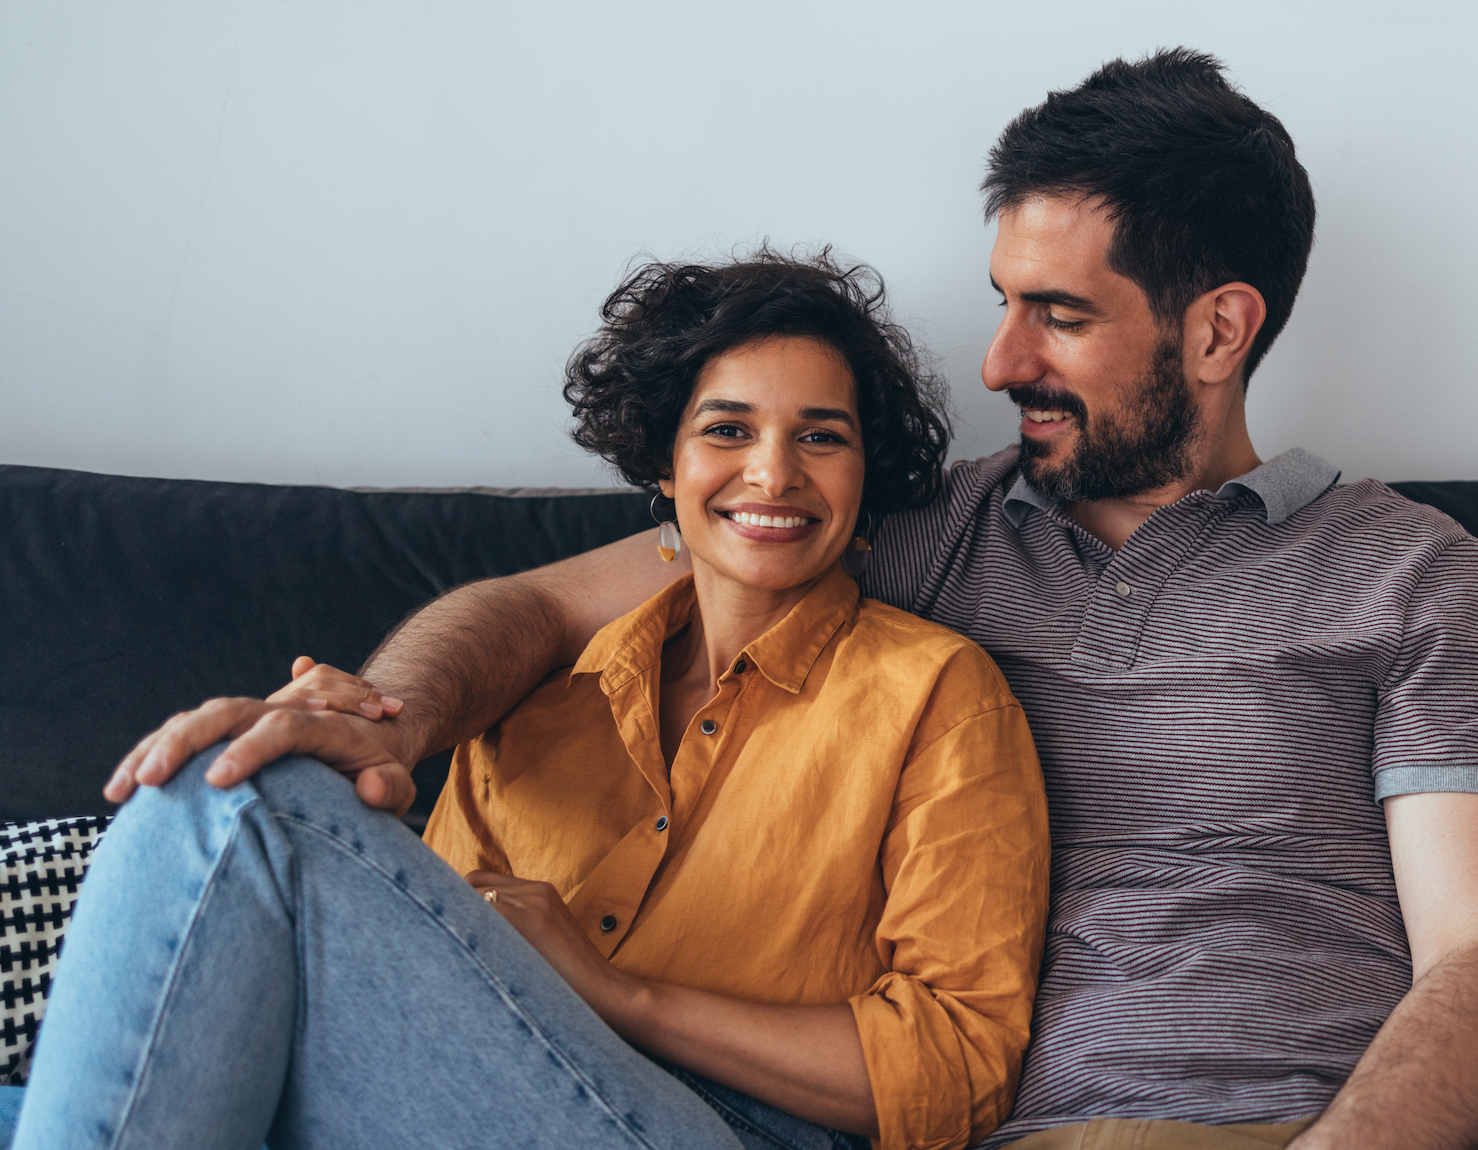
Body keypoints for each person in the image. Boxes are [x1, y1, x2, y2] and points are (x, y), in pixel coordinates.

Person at [99, 48, 1478, 1150]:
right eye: (1001, 301)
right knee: (237, 799)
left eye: (1055, 314)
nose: (996, 361)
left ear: (1218, 328)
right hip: (985, 1132)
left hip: (1286, 1127)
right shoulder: (923, 531)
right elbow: (539, 610)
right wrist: (375, 725)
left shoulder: (1407, 575)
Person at [9, 252, 1052, 1150]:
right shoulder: (542, 691)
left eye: (822, 436)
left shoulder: (938, 695)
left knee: (239, 785)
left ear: (867, 473)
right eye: (727, 430)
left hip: (736, 1128)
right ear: (665, 459)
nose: (773, 472)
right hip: (474, 1090)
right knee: (225, 791)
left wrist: (618, 996)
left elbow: (959, 1067)